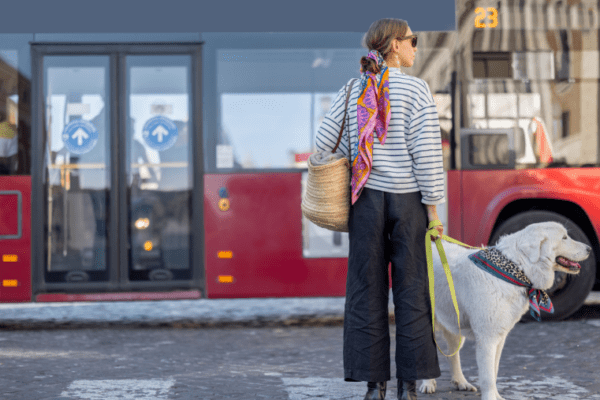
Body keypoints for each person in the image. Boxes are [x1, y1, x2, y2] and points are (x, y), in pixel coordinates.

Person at [315, 19, 445, 400]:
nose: (416, 47)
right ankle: (409, 386)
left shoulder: (353, 88)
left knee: (365, 292)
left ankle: (375, 388)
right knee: (413, 292)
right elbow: (427, 157)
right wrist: (433, 212)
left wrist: (358, 152)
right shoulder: (417, 90)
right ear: (394, 46)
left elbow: (323, 142)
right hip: (408, 205)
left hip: (366, 202)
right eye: (412, 41)